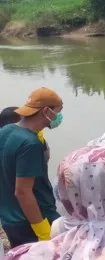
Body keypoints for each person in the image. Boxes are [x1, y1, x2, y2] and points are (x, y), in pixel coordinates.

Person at [0, 88, 62, 248]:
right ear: (46, 111)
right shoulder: (30, 144)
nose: (58, 117)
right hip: (33, 219)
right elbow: (23, 192)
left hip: (9, 218)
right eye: (57, 112)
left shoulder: (6, 131)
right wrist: (42, 232)